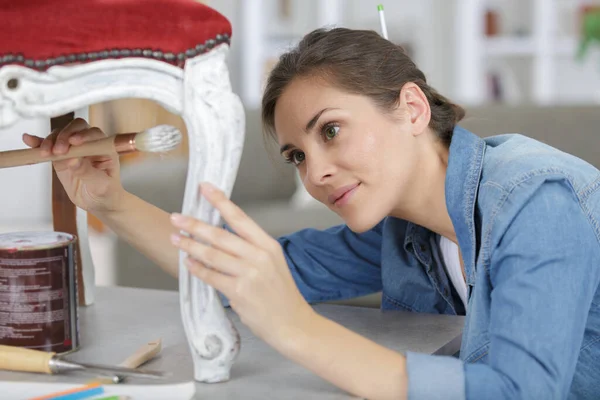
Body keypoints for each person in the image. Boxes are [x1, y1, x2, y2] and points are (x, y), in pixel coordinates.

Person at [23, 28, 600, 400]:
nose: (315, 173)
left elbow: (520, 393)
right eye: (298, 154)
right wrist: (111, 203)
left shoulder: (536, 200)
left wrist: (296, 329)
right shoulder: (401, 229)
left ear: (412, 108)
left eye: (331, 130)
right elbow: (256, 270)